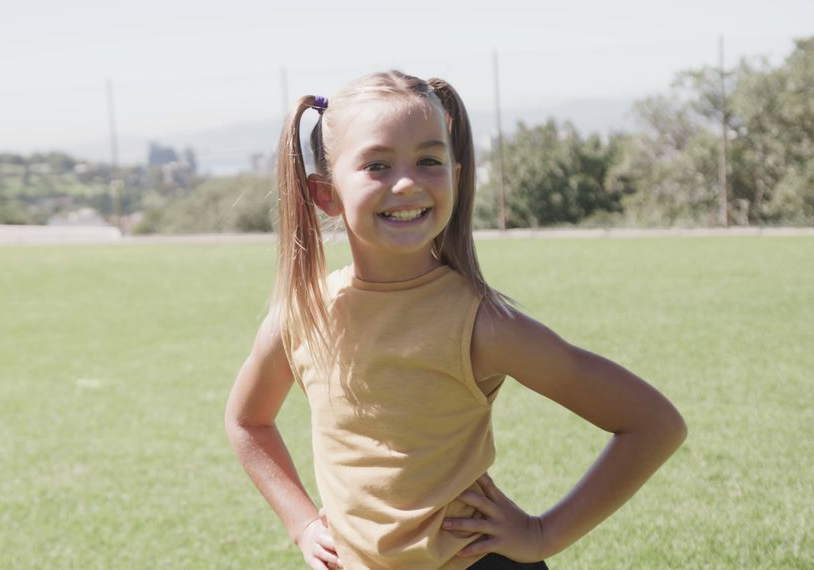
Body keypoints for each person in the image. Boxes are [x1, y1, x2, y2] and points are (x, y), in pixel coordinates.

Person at [224, 70, 687, 570]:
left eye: (429, 160)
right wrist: (302, 524)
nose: (407, 182)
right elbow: (248, 421)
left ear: (457, 175)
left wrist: (541, 533)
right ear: (325, 193)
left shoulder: (483, 324)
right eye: (377, 165)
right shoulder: (302, 316)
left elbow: (652, 423)